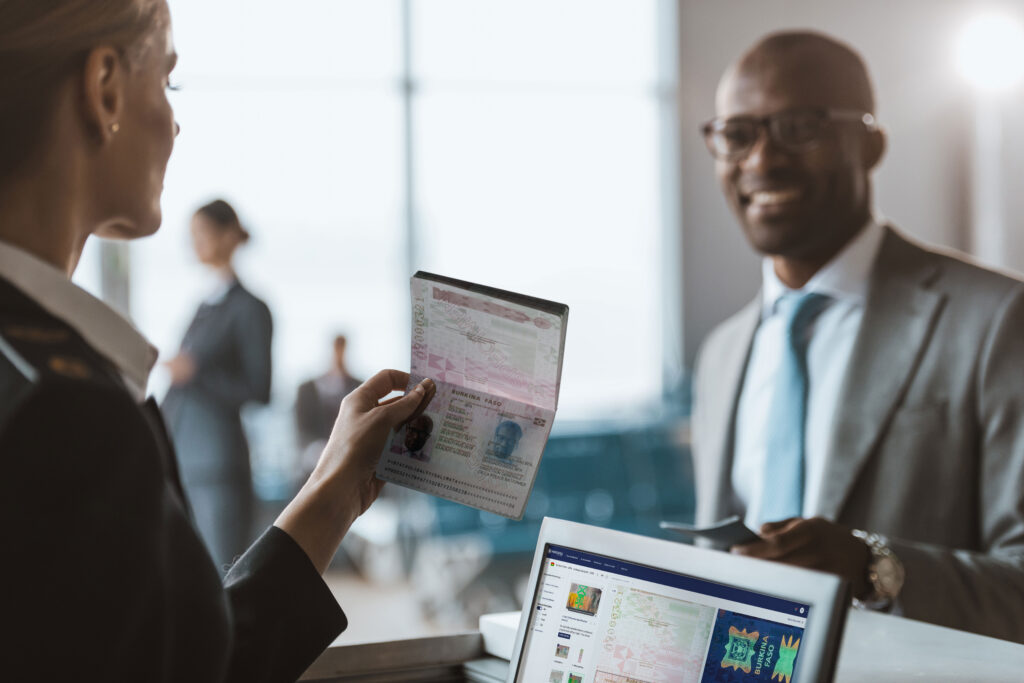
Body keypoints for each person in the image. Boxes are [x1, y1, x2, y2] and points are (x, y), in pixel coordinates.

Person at [0, 1, 436, 680]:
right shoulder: (71, 417)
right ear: (104, 88)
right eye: (166, 81)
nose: (175, 123)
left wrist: (336, 485)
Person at [691, 30, 1024, 642]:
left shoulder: (997, 320)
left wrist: (874, 570)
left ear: (871, 145)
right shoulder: (721, 355)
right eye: (737, 135)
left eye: (800, 127)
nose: (761, 160)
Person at [161, 198, 272, 568]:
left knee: (222, 573)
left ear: (227, 236)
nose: (194, 243)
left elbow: (260, 390)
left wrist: (194, 374)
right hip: (183, 460)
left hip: (218, 466)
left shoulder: (249, 308)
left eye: (201, 233)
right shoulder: (205, 305)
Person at [295, 334, 363, 478]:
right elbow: (301, 428)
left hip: (349, 458)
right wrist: (316, 448)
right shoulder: (307, 389)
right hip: (314, 458)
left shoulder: (359, 386)